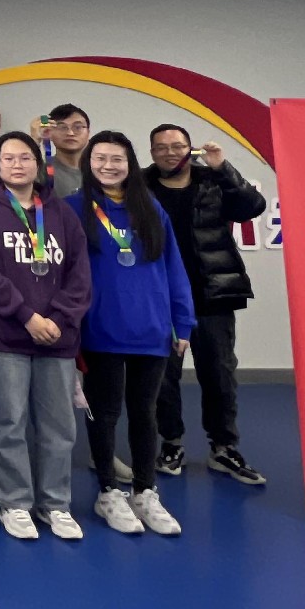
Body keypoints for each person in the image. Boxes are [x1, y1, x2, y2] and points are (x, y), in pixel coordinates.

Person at [0, 132, 91, 542]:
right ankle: (15, 503)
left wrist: (59, 318)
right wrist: (26, 316)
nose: (17, 165)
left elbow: (79, 273)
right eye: (8, 158)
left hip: (57, 337)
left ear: (38, 164)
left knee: (59, 427)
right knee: (8, 424)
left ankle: (56, 504)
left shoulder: (62, 213)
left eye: (25, 158)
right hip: (4, 338)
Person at [67, 132, 194, 537]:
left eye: (117, 159)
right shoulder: (73, 208)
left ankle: (145, 491)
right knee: (104, 413)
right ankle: (108, 491)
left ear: (130, 164)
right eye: (100, 158)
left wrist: (183, 322)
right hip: (100, 329)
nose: (109, 166)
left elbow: (174, 268)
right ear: (88, 163)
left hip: (151, 329)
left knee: (144, 412)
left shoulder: (150, 208)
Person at [146, 124, 269, 485]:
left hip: (212, 292)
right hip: (160, 297)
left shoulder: (212, 179)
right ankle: (172, 443)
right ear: (152, 153)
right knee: (163, 378)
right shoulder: (140, 186)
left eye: (177, 145)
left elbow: (252, 207)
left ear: (191, 149)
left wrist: (223, 167)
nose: (170, 152)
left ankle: (224, 447)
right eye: (161, 147)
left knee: (219, 374)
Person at [34, 103, 91, 197]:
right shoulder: (41, 171)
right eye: (62, 127)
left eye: (78, 127)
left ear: (88, 133)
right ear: (49, 133)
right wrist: (34, 140)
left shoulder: (100, 169)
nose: (70, 133)